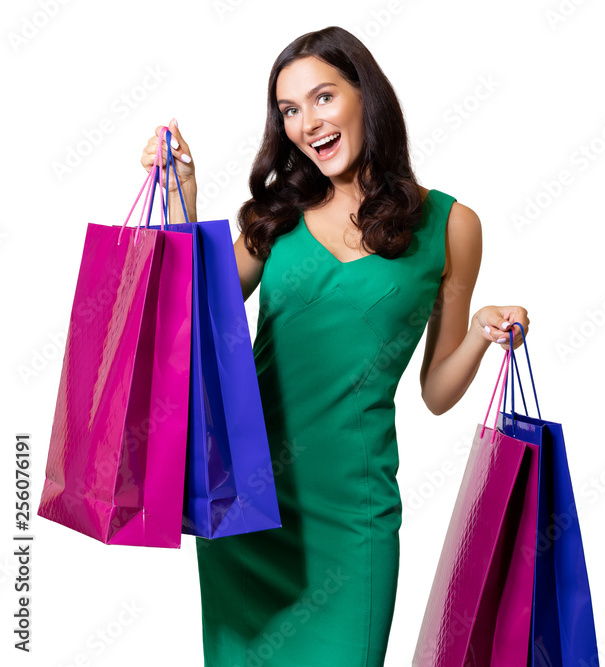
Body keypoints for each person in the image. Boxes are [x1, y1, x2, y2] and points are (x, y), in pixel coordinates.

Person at [139, 26, 529, 666]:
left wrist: (482, 334)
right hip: (250, 507)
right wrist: (184, 196)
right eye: (289, 110)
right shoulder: (278, 217)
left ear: (365, 97)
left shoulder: (452, 226)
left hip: (354, 519)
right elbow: (197, 309)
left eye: (322, 98)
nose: (305, 123)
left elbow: (435, 393)